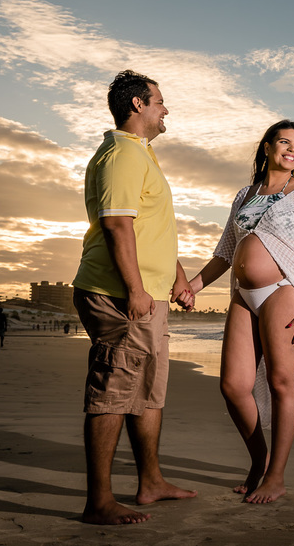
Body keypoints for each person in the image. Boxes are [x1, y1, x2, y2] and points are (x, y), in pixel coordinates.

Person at [70, 69, 197, 525]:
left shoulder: (141, 154)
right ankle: (99, 502)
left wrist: (176, 279)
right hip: (119, 294)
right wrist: (137, 290)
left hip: (148, 294)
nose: (166, 109)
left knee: (146, 392)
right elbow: (118, 224)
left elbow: (152, 229)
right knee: (113, 392)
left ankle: (151, 482)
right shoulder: (122, 155)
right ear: (138, 105)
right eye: (159, 101)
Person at [180, 120, 294, 503]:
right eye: (284, 142)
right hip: (243, 296)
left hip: (286, 291)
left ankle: (275, 477)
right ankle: (259, 459)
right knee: (232, 385)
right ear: (267, 147)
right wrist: (193, 286)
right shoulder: (245, 194)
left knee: (282, 382)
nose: (292, 150)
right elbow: (226, 252)